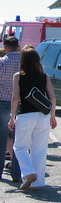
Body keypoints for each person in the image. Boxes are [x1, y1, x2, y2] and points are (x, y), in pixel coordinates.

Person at [8, 46, 57, 190]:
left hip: (25, 115)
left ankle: (29, 173)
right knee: (39, 150)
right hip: (43, 116)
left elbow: (15, 98)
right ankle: (37, 183)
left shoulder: (18, 76)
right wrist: (53, 116)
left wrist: (12, 117)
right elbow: (52, 97)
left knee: (19, 147)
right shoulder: (44, 76)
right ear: (37, 60)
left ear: (22, 60)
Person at [1, 36, 20, 178]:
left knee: (2, 139)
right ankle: (17, 174)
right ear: (17, 46)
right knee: (19, 141)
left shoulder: (2, 62)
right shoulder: (24, 62)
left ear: (6, 47)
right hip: (20, 104)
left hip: (3, 102)